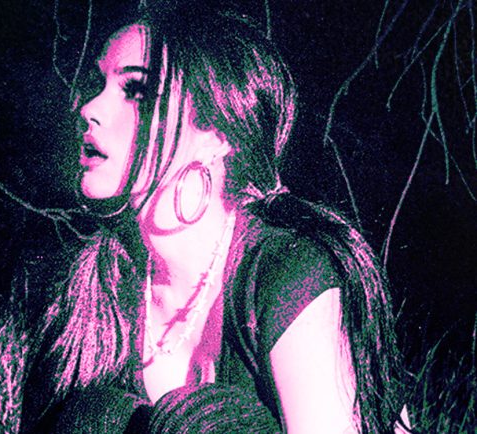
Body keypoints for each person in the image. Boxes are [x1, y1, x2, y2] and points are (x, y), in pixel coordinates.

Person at [22, 3, 408, 433]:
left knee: (200, 422)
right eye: (98, 84)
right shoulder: (91, 285)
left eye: (136, 90)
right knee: (97, 417)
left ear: (216, 133)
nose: (89, 108)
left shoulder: (288, 272)